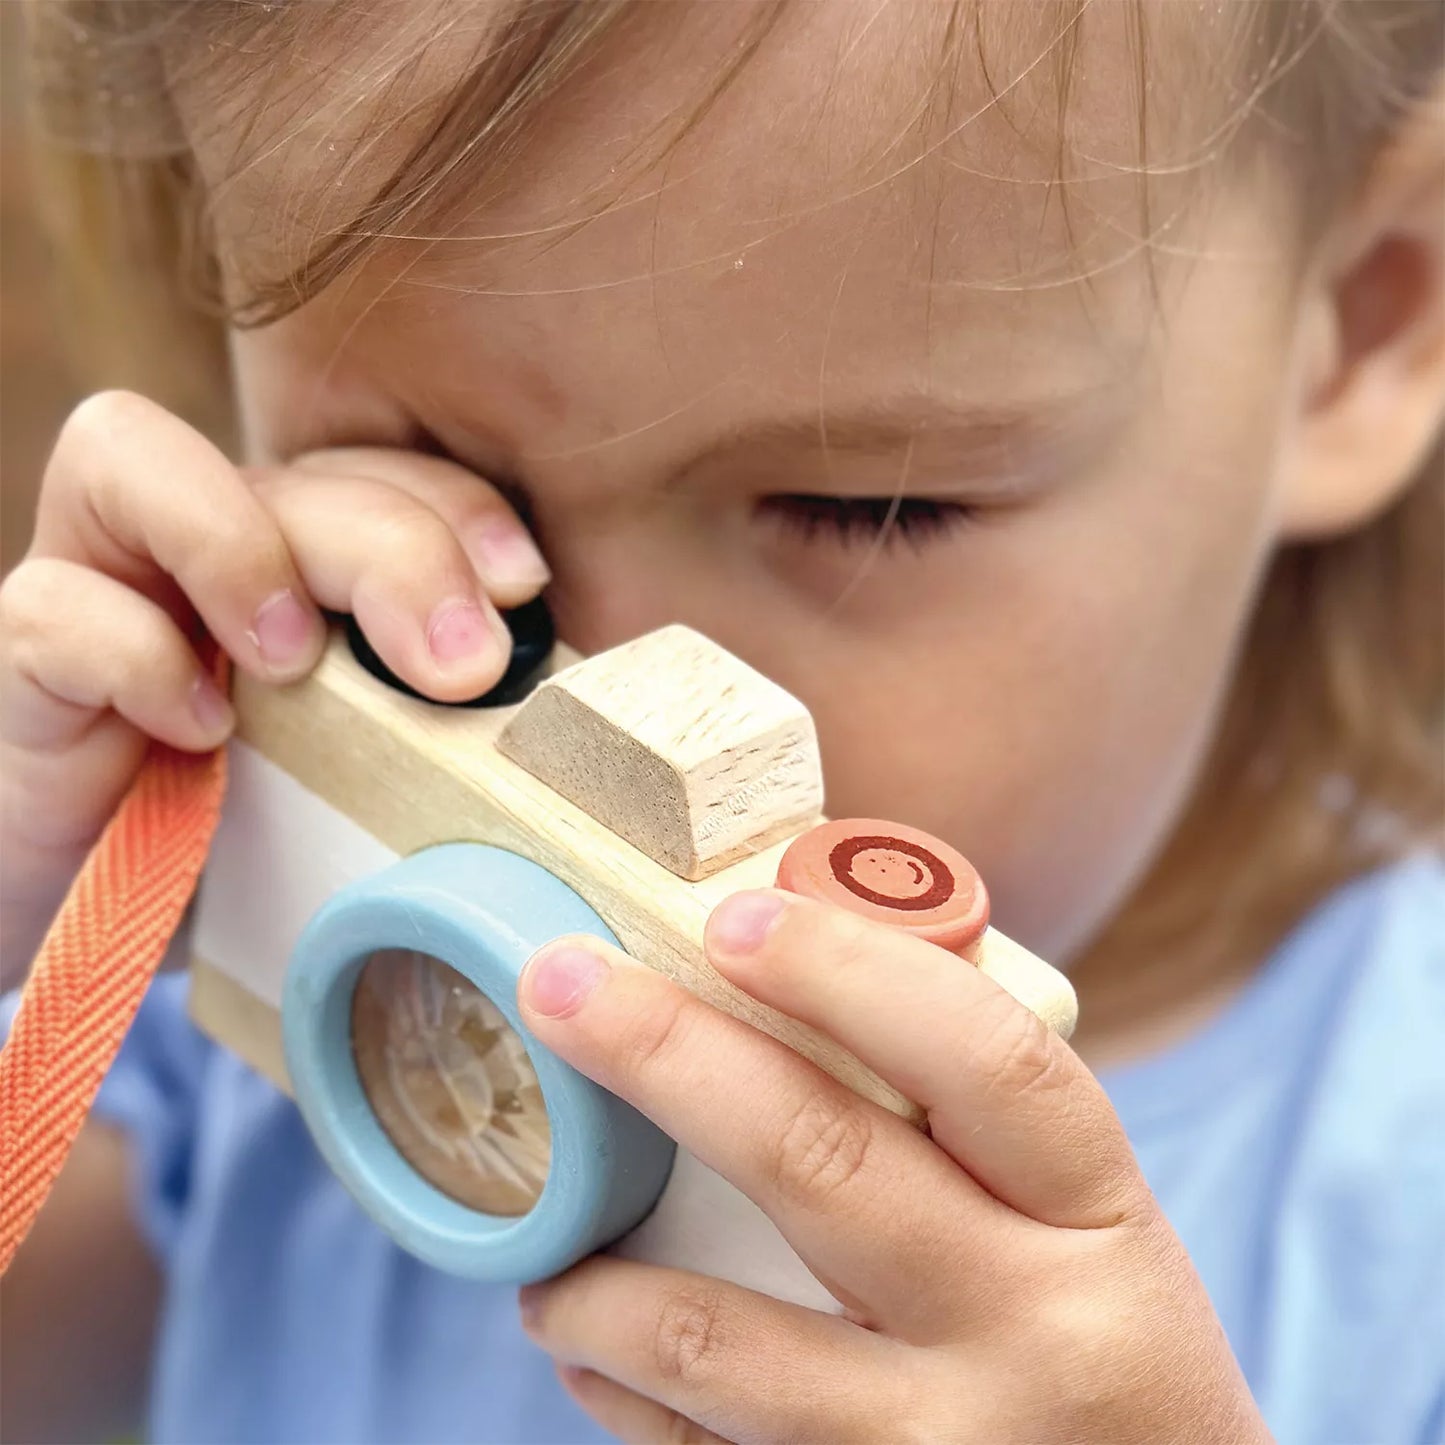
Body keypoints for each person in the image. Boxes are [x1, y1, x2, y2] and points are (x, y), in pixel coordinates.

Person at [2, 2, 1441, 1442]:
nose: (622, 696)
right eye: (413, 463)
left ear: (1364, 317)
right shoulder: (213, 945)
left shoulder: (1401, 1166)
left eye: (864, 510)